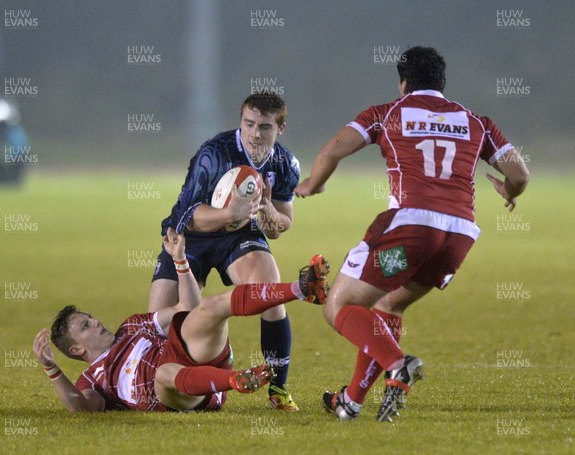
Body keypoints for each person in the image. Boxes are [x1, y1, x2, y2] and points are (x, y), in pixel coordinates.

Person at [295, 46, 530, 422]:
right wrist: (509, 191)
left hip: (411, 230)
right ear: (442, 83)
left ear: (404, 83)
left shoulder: (386, 112)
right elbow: (520, 175)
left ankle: (397, 364)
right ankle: (350, 402)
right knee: (388, 306)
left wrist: (312, 184)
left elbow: (332, 151)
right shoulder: (476, 121)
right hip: (458, 237)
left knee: (339, 306)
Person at [32, 229, 329, 412]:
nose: (95, 322)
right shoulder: (93, 380)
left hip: (187, 352)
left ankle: (301, 289)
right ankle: (235, 380)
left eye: (90, 317)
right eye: (85, 326)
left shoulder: (133, 325)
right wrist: (51, 368)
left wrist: (180, 261)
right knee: (164, 374)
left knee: (212, 305)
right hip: (175, 394)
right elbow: (82, 408)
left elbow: (188, 307)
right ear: (77, 350)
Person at [150, 93, 302, 410]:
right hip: (190, 237)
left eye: (264, 126)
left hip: (240, 236)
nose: (255, 134)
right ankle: (176, 386)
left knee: (269, 296)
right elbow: (189, 214)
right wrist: (229, 214)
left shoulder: (285, 164)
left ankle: (278, 388)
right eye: (248, 124)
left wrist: (269, 215)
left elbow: (282, 221)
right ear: (241, 122)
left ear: (281, 128)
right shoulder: (213, 154)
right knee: (163, 324)